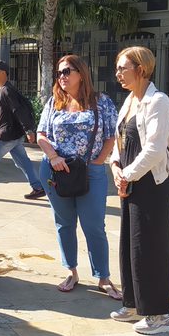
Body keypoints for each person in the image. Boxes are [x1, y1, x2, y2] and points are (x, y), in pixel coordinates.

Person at [36, 54, 122, 300]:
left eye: (67, 72)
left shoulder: (101, 102)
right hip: (56, 171)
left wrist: (97, 163)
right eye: (59, 73)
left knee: (94, 225)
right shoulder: (54, 103)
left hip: (90, 172)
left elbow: (110, 136)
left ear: (81, 74)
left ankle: (103, 277)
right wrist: (53, 156)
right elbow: (41, 133)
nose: (61, 77)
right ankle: (71, 272)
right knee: (64, 223)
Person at [108, 46, 169, 335]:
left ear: (142, 69)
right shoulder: (130, 102)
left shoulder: (157, 101)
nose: (118, 73)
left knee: (152, 248)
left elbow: (155, 149)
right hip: (131, 181)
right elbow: (119, 139)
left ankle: (161, 315)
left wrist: (127, 175)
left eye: (123, 68)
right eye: (118, 68)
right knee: (131, 245)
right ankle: (135, 303)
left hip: (152, 184)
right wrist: (115, 165)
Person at [0, 60, 44, 199]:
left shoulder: (6, 91)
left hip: (7, 137)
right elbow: (7, 115)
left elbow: (18, 111)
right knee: (23, 162)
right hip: (14, 135)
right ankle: (38, 187)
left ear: (2, 73)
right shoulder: (6, 89)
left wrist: (29, 130)